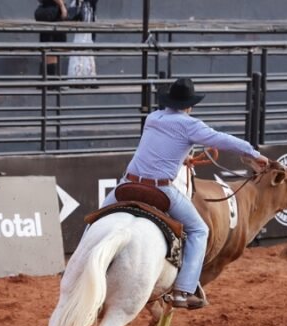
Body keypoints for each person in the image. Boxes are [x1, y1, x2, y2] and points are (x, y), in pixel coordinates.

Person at [102, 78, 269, 310]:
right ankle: (183, 290)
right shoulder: (190, 125)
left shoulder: (153, 118)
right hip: (160, 188)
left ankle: (75, 267)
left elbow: (160, 148)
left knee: (98, 217)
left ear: (168, 101)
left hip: (127, 184)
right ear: (189, 105)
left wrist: (183, 158)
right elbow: (222, 139)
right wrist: (253, 153)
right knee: (200, 230)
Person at [35, 0, 83, 82]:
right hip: (53, 14)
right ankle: (52, 79)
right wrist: (62, 6)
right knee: (53, 47)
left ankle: (46, 78)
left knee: (50, 47)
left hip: (48, 13)